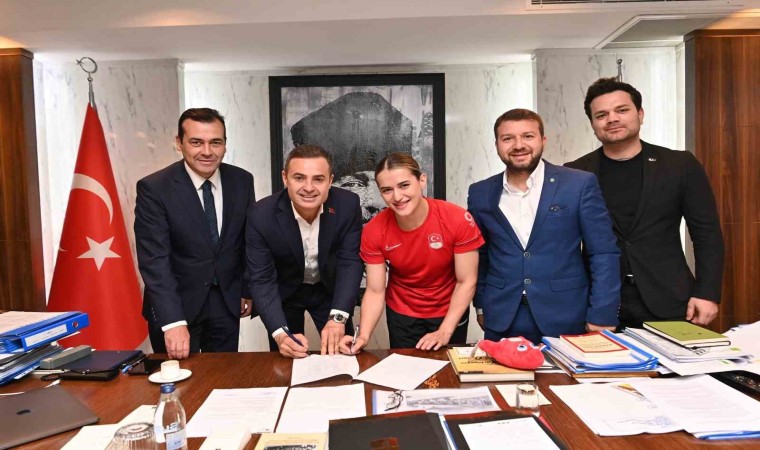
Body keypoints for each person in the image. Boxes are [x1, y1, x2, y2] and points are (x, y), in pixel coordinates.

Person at [566, 78, 724, 329]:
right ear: (593, 124)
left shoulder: (680, 165)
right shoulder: (575, 173)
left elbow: (707, 233)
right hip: (599, 304)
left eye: (622, 110)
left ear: (640, 114)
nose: (612, 119)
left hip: (671, 300)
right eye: (601, 115)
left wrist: (707, 293)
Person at [467, 109, 620, 344]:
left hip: (565, 314)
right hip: (502, 316)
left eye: (528, 136)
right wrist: (481, 305)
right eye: (508, 138)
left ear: (543, 140)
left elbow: (603, 252)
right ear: (496, 145)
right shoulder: (480, 192)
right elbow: (481, 255)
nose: (519, 145)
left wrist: (602, 312)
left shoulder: (578, 184)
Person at [135, 108, 255, 359]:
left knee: (224, 377)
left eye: (216, 142)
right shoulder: (155, 188)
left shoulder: (242, 181)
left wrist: (246, 289)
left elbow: (247, 241)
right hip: (177, 304)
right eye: (196, 142)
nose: (207, 151)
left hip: (226, 303)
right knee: (181, 379)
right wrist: (173, 321)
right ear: (179, 143)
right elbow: (155, 260)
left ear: (225, 144)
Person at [339, 152, 484, 353]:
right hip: (402, 312)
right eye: (387, 190)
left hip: (449, 310)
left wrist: (445, 331)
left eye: (404, 185)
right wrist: (363, 336)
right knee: (405, 368)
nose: (397, 197)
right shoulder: (374, 230)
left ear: (421, 180)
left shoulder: (457, 219)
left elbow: (466, 281)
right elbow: (375, 290)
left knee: (447, 369)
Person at [247, 145, 363, 358]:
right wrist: (280, 334)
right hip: (285, 290)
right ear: (285, 178)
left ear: (330, 180)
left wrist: (338, 319)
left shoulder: (348, 205)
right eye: (299, 178)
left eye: (318, 179)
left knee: (343, 352)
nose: (308, 188)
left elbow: (350, 261)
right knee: (287, 354)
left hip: (328, 288)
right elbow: (262, 278)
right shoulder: (261, 214)